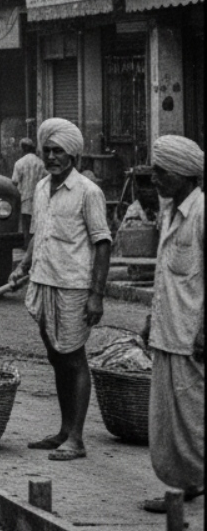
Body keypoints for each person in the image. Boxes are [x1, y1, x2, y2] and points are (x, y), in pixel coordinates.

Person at [8, 118, 111, 461]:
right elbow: (39, 234)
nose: (51, 157)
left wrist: (96, 294)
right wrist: (23, 266)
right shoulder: (40, 188)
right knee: (55, 357)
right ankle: (64, 430)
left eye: (58, 152)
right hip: (43, 281)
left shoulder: (88, 191)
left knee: (73, 359)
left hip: (73, 286)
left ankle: (77, 440)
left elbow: (102, 243)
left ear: (73, 155)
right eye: (47, 150)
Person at [139, 135, 203, 514]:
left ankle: (192, 484)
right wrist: (151, 319)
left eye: (161, 172)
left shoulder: (201, 212)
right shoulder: (169, 212)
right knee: (169, 424)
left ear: (183, 174)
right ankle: (185, 486)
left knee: (194, 421)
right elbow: (165, 275)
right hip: (168, 332)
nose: (155, 178)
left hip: (191, 336)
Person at [10, 137, 47, 237]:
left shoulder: (19, 163)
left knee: (25, 222)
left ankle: (26, 244)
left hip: (24, 197)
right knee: (36, 223)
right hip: (39, 196)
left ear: (23, 149)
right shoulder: (41, 163)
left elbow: (14, 181)